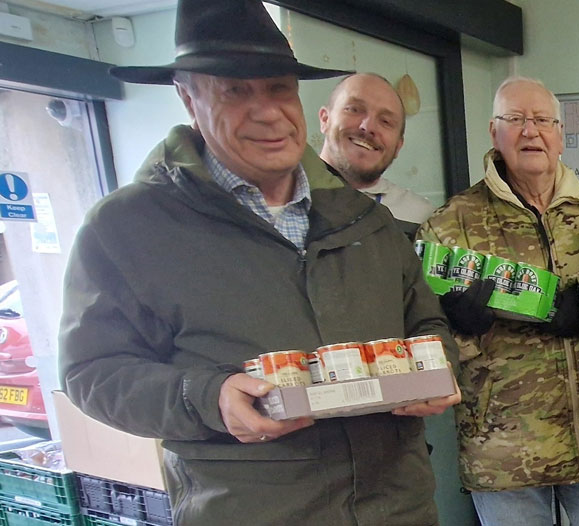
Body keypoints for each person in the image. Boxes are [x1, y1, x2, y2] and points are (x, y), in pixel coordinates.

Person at [58, 1, 459, 524]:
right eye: (235, 91)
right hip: (251, 509)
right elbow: (91, 372)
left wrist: (438, 368)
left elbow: (426, 324)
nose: (268, 111)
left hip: (395, 505)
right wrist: (207, 396)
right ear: (188, 96)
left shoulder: (364, 219)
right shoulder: (126, 228)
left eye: (278, 88)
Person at [417, 76, 579, 526]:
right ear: (494, 132)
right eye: (516, 119)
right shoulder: (452, 223)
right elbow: (421, 340)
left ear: (561, 134)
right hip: (503, 450)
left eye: (543, 120)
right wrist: (461, 327)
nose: (531, 131)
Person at [318, 72, 434, 235]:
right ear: (325, 119)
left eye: (386, 121)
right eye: (354, 109)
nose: (368, 126)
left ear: (398, 146)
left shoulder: (421, 218)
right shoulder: (282, 194)